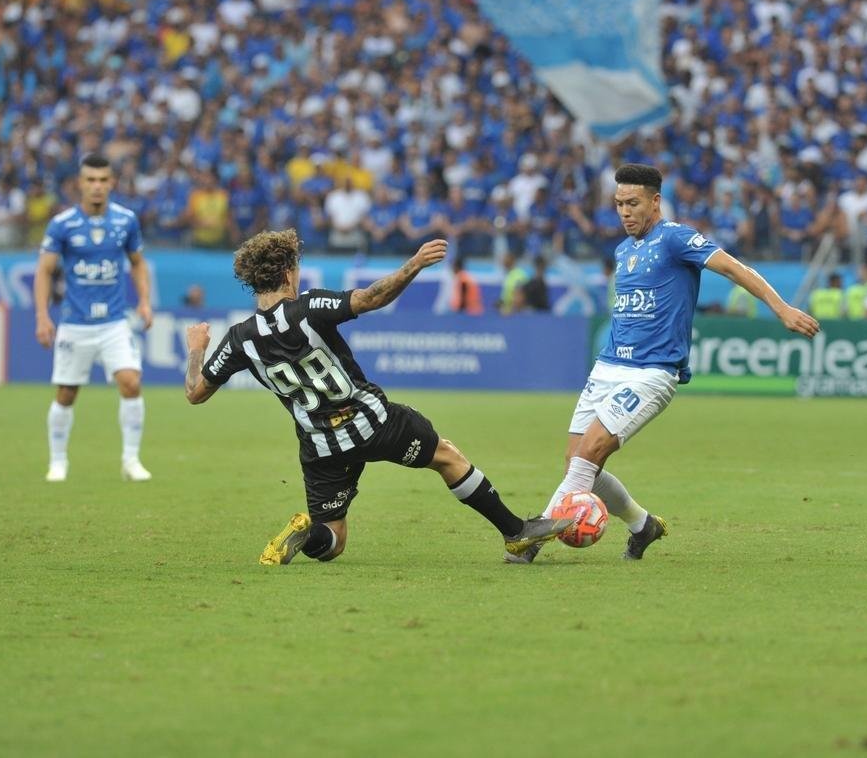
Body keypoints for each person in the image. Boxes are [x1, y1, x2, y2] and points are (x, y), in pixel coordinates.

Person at [181, 230, 571, 565]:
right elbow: (370, 298)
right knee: (446, 456)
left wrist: (197, 347)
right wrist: (413, 264)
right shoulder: (309, 306)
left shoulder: (239, 339)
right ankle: (516, 532)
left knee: (332, 540)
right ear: (288, 272)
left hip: (319, 447)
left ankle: (306, 536)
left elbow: (195, 394)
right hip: (372, 422)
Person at [508, 164, 819, 564]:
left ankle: (531, 539)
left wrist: (782, 309)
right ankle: (642, 525)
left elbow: (735, 268)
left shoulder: (676, 238)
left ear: (655, 201)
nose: (624, 212)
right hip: (607, 367)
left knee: (589, 455)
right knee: (577, 461)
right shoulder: (624, 250)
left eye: (632, 203)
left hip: (651, 372)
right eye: (619, 204)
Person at [33, 154, 154, 482]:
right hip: (75, 323)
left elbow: (138, 263)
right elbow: (44, 271)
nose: (97, 186)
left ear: (112, 183)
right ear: (80, 184)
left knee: (131, 381)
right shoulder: (63, 224)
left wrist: (144, 301)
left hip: (114, 321)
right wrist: (43, 316)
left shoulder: (126, 220)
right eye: (91, 180)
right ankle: (58, 462)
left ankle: (131, 461)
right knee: (66, 393)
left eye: (103, 180)